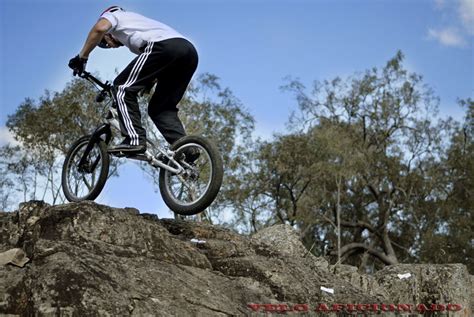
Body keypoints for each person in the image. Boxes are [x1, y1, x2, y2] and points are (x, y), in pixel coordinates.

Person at [69, 6, 198, 155]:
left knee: (122, 88)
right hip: (189, 53)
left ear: (108, 34)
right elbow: (158, 65)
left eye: (105, 43)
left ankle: (134, 140)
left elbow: (99, 29)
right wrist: (149, 81)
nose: (110, 47)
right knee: (161, 109)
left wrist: (82, 57)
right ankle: (188, 150)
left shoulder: (115, 16)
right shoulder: (138, 26)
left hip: (164, 46)